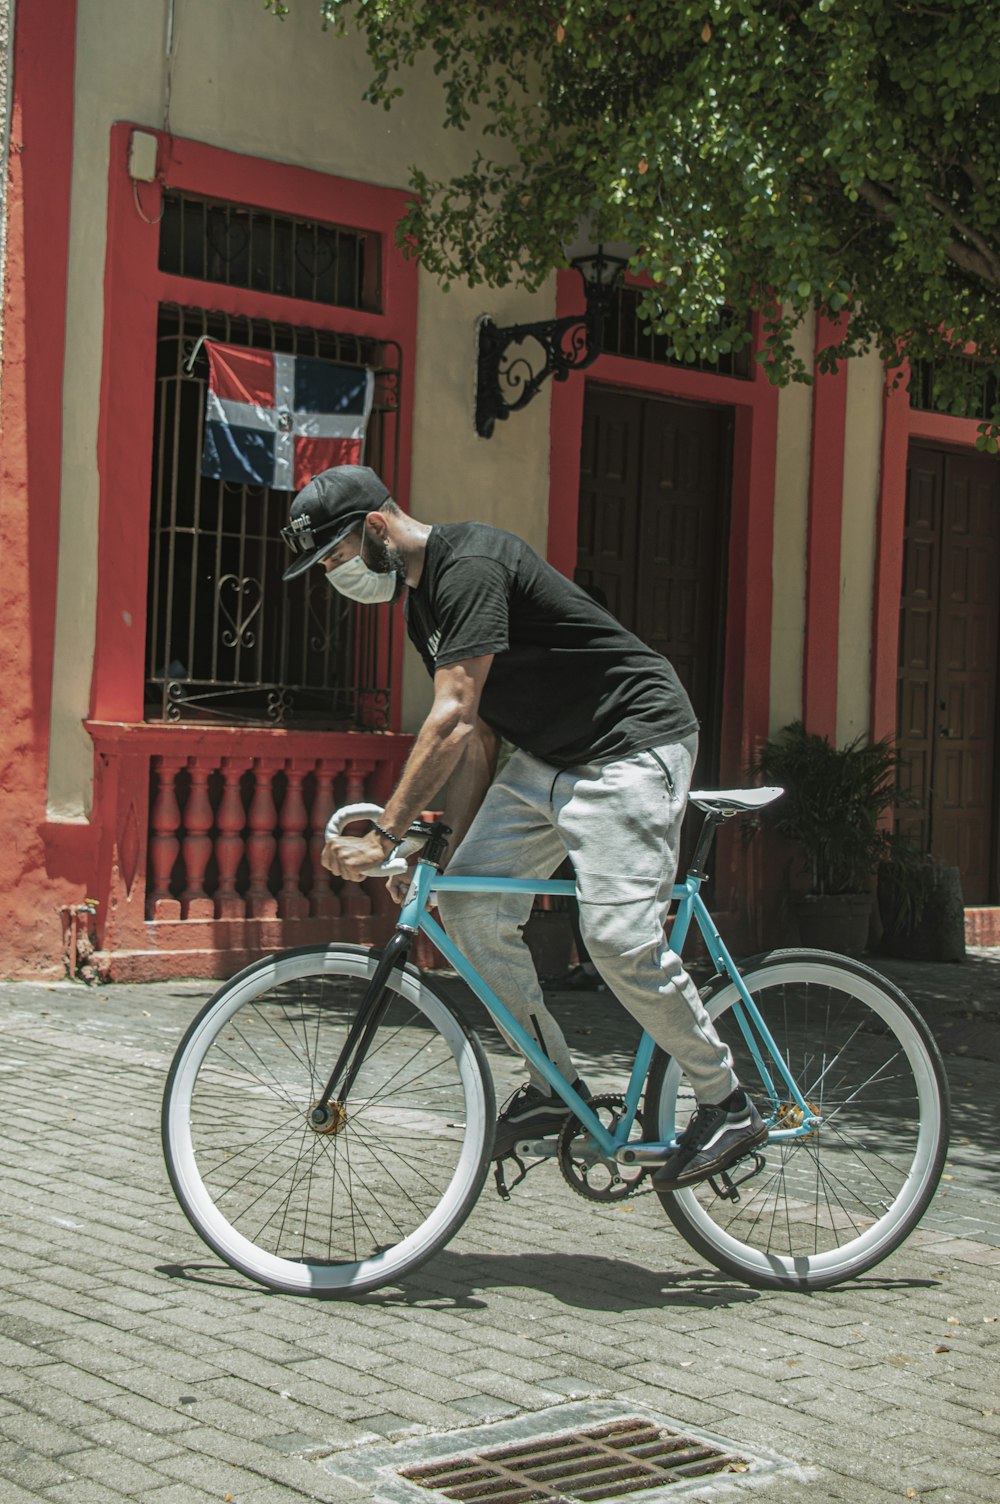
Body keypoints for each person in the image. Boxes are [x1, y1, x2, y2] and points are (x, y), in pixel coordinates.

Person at [281, 465, 766, 1191]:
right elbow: (476, 738)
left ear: (375, 528)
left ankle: (726, 1101)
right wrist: (452, 855)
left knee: (617, 940)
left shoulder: (469, 565)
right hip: (547, 757)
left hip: (632, 744)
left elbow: (451, 716)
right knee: (470, 907)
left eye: (334, 556)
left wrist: (386, 834)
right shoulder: (423, 607)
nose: (333, 573)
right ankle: (551, 1091)